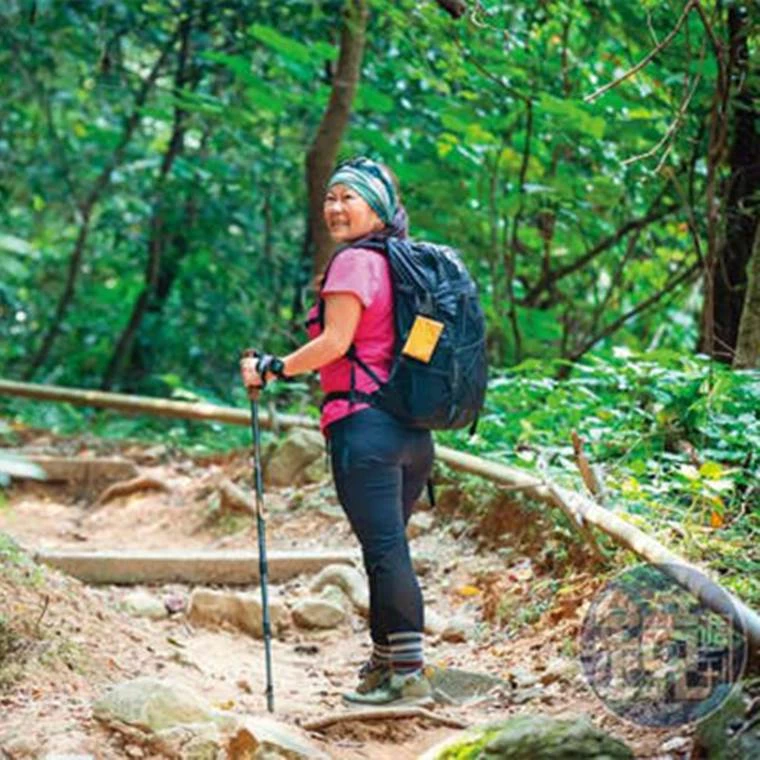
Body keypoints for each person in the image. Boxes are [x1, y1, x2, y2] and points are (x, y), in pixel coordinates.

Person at [240, 157, 434, 706]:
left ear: (377, 205)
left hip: (364, 427)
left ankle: (410, 676)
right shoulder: (407, 264)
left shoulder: (353, 264)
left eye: (349, 197)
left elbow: (335, 343)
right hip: (413, 434)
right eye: (331, 197)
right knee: (387, 550)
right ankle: (386, 662)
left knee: (385, 551)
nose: (335, 207)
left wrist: (274, 367)